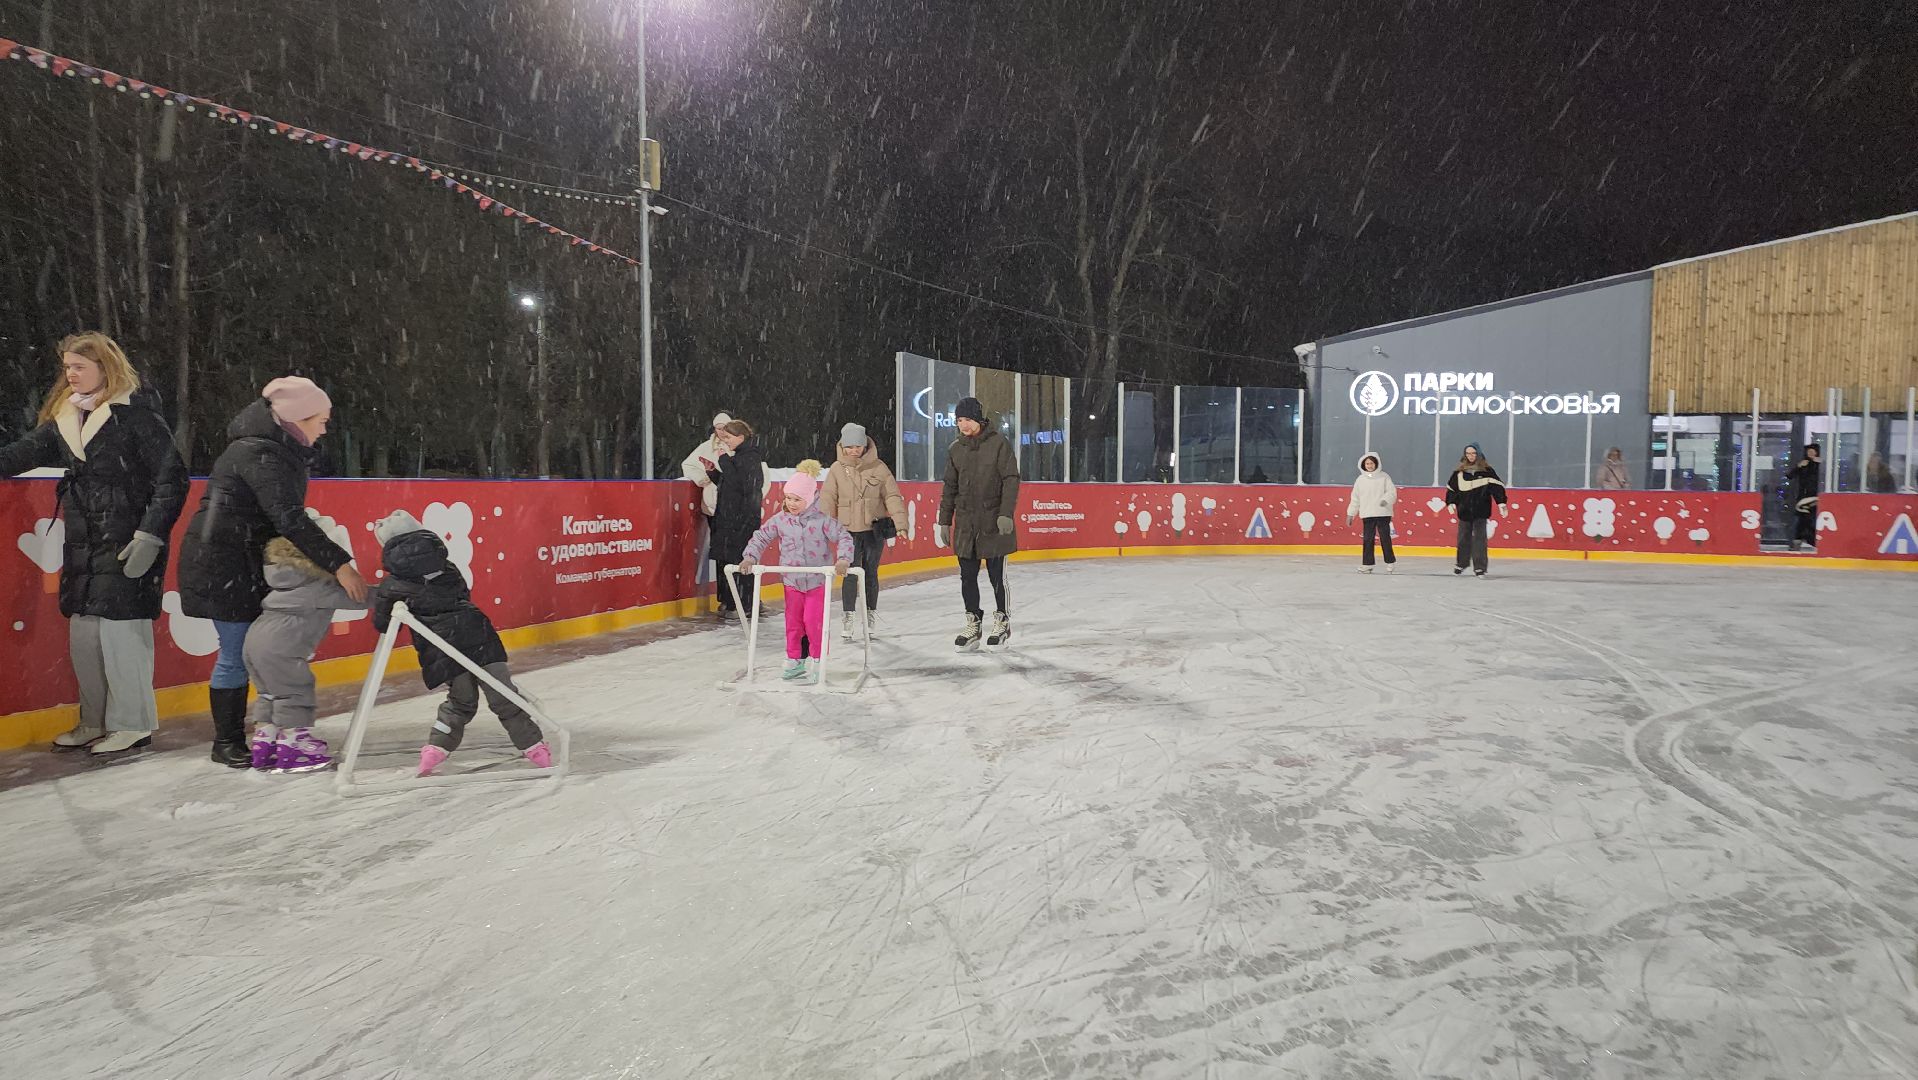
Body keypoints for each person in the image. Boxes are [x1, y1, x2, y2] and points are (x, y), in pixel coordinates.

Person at [0, 332, 187, 755]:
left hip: (127, 540)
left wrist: (150, 535)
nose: (70, 374)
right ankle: (95, 720)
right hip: (84, 544)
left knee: (122, 635)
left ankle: (133, 723)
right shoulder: (67, 420)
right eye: (67, 367)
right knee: (85, 637)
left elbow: (171, 479)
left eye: (79, 366)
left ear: (105, 367)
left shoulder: (136, 417)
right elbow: (19, 454)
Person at [179, 377, 368, 767]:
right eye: (321, 420)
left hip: (238, 561)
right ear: (298, 417)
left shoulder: (270, 449)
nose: (325, 429)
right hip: (225, 563)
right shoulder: (259, 452)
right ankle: (227, 742)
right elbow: (288, 517)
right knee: (238, 654)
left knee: (257, 653)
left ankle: (268, 732)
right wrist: (339, 565)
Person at [371, 511, 552, 776]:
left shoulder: (392, 584)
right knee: (504, 696)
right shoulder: (447, 567)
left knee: (461, 702)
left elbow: (384, 624)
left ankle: (436, 749)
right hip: (478, 635)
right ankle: (534, 747)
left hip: (442, 649)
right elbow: (463, 594)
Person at [241, 535, 366, 772]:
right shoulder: (316, 584)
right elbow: (359, 597)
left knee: (269, 693)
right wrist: (396, 592)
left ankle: (265, 744)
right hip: (281, 647)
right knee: (294, 692)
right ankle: (294, 747)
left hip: (254, 641)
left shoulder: (283, 579)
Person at [739, 471, 854, 682]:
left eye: (797, 499)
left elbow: (844, 537)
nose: (791, 503)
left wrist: (843, 560)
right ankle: (795, 659)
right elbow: (761, 537)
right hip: (792, 582)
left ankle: (818, 660)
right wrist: (750, 557)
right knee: (793, 623)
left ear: (809, 499)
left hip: (817, 581)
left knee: (813, 622)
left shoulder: (822, 521)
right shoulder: (780, 520)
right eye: (788, 498)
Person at [937, 397, 1020, 651]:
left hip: (992, 521)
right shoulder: (955, 449)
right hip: (965, 524)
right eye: (959, 420)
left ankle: (1002, 622)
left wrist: (1006, 513)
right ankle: (973, 623)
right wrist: (944, 521)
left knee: (997, 577)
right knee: (967, 577)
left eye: (967, 419)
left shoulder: (998, 444)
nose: (963, 424)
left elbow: (1011, 479)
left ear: (978, 419)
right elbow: (949, 488)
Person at [819, 422, 905, 640]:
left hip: (873, 531)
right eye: (849, 446)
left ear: (865, 445)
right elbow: (828, 498)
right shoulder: (837, 469)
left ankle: (870, 614)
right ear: (842, 446)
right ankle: (848, 615)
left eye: (858, 446)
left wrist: (901, 523)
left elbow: (892, 496)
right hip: (847, 532)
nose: (854, 450)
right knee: (849, 574)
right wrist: (824, 526)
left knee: (870, 573)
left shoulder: (879, 467)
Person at [705, 419, 766, 620]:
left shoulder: (749, 458)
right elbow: (729, 484)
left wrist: (723, 460)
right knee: (728, 561)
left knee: (741, 563)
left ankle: (746, 604)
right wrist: (713, 472)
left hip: (742, 521)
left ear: (740, 437)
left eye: (729, 438)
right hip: (731, 519)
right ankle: (733, 602)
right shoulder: (740, 457)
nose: (726, 442)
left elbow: (742, 485)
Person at [1445, 442, 1509, 577]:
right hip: (1464, 511)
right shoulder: (1459, 473)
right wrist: (1450, 502)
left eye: (1473, 453)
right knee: (1463, 539)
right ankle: (1461, 563)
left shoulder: (1487, 472)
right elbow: (1452, 489)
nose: (1470, 456)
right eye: (1468, 453)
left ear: (1478, 454)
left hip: (1481, 511)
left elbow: (1497, 488)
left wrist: (1501, 503)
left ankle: (1480, 567)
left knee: (1480, 540)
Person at [1344, 451, 1397, 573]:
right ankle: (1367, 564)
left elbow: (1392, 492)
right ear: (1363, 465)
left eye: (1372, 463)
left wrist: (1385, 500)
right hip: (1367, 514)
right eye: (1367, 463)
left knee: (1385, 538)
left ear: (1376, 464)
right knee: (1368, 539)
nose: (1369, 466)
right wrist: (1351, 514)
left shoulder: (1384, 477)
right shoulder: (1360, 480)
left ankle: (1390, 562)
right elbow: (1355, 498)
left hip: (1383, 513)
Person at [1788, 443, 1821, 551]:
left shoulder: (1820, 464)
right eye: (1808, 451)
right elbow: (1789, 476)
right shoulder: (1804, 464)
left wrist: (1820, 464)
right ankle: (1800, 541)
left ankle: (1810, 540)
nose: (1810, 453)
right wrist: (1798, 466)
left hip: (1816, 498)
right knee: (1803, 519)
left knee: (1811, 519)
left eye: (1812, 451)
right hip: (1803, 497)